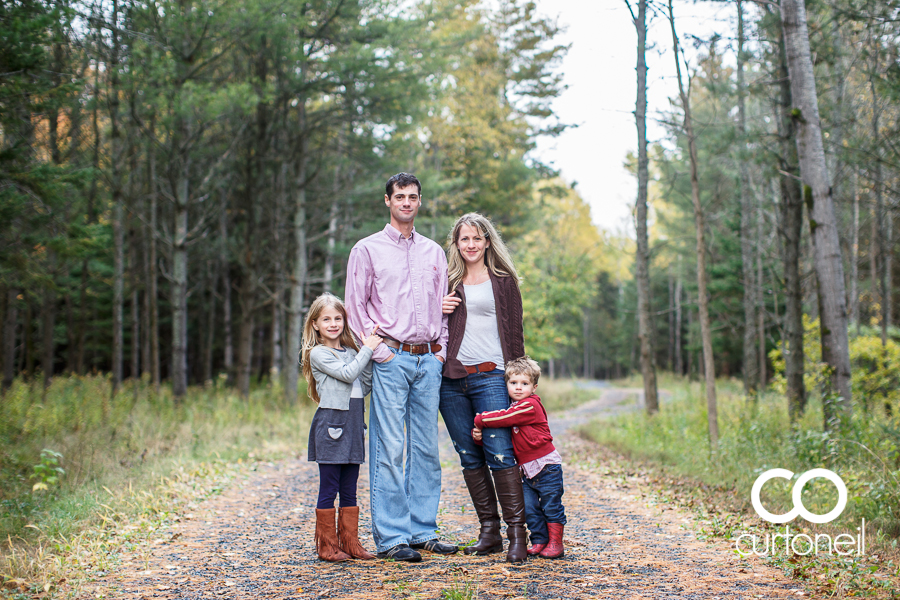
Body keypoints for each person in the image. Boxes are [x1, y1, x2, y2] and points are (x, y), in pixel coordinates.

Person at [345, 172, 457, 562]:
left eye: (413, 197)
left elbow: (445, 303)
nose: (406, 203)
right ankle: (393, 537)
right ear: (387, 201)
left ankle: (423, 530)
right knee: (390, 448)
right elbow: (354, 309)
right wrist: (381, 355)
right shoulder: (367, 250)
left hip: (429, 359)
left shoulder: (434, 253)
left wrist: (440, 351)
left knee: (426, 449)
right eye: (400, 197)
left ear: (420, 202)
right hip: (391, 359)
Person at [439, 213, 529, 563]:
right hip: (451, 380)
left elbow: (516, 335)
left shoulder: (504, 282)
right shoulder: (446, 281)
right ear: (456, 244)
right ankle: (489, 532)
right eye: (464, 239)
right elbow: (429, 324)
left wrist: (518, 382)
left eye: (477, 238)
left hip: (492, 376)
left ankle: (516, 534)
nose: (471, 245)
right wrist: (437, 306)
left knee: (500, 453)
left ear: (488, 241)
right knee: (468, 455)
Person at [301, 293, 382, 562]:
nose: (333, 324)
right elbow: (348, 375)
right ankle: (327, 545)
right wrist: (368, 348)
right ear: (315, 324)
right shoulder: (318, 353)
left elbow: (363, 383)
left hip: (354, 424)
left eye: (338, 318)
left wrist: (365, 350)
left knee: (350, 487)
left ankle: (350, 542)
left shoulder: (350, 352)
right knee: (329, 487)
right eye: (326, 319)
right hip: (331, 427)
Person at [472, 357, 566, 559]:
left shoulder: (529, 406)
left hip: (546, 466)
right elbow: (504, 441)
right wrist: (480, 439)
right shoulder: (514, 408)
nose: (518, 388)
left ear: (534, 387)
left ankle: (556, 543)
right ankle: (540, 541)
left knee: (550, 505)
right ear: (506, 384)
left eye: (524, 384)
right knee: (529, 507)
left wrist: (480, 420)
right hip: (525, 469)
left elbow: (503, 418)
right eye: (513, 383)